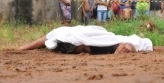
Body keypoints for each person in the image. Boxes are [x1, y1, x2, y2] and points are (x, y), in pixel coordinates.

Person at [19, 25, 153, 54]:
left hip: (103, 41)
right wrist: (22, 49)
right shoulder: (61, 32)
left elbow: (131, 44)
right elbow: (43, 40)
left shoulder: (106, 42)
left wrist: (128, 48)